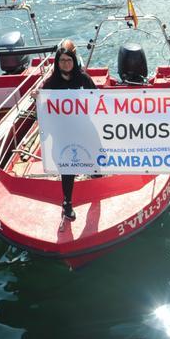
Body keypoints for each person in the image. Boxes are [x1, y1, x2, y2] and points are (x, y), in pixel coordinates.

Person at [41, 40, 98, 220]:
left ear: (74, 61)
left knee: (96, 158)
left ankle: (98, 188)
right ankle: (67, 203)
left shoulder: (84, 79)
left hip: (84, 127)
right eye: (62, 60)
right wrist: (38, 98)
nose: (66, 63)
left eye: (69, 60)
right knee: (68, 166)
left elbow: (98, 100)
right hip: (63, 132)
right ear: (57, 63)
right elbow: (43, 110)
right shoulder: (50, 84)